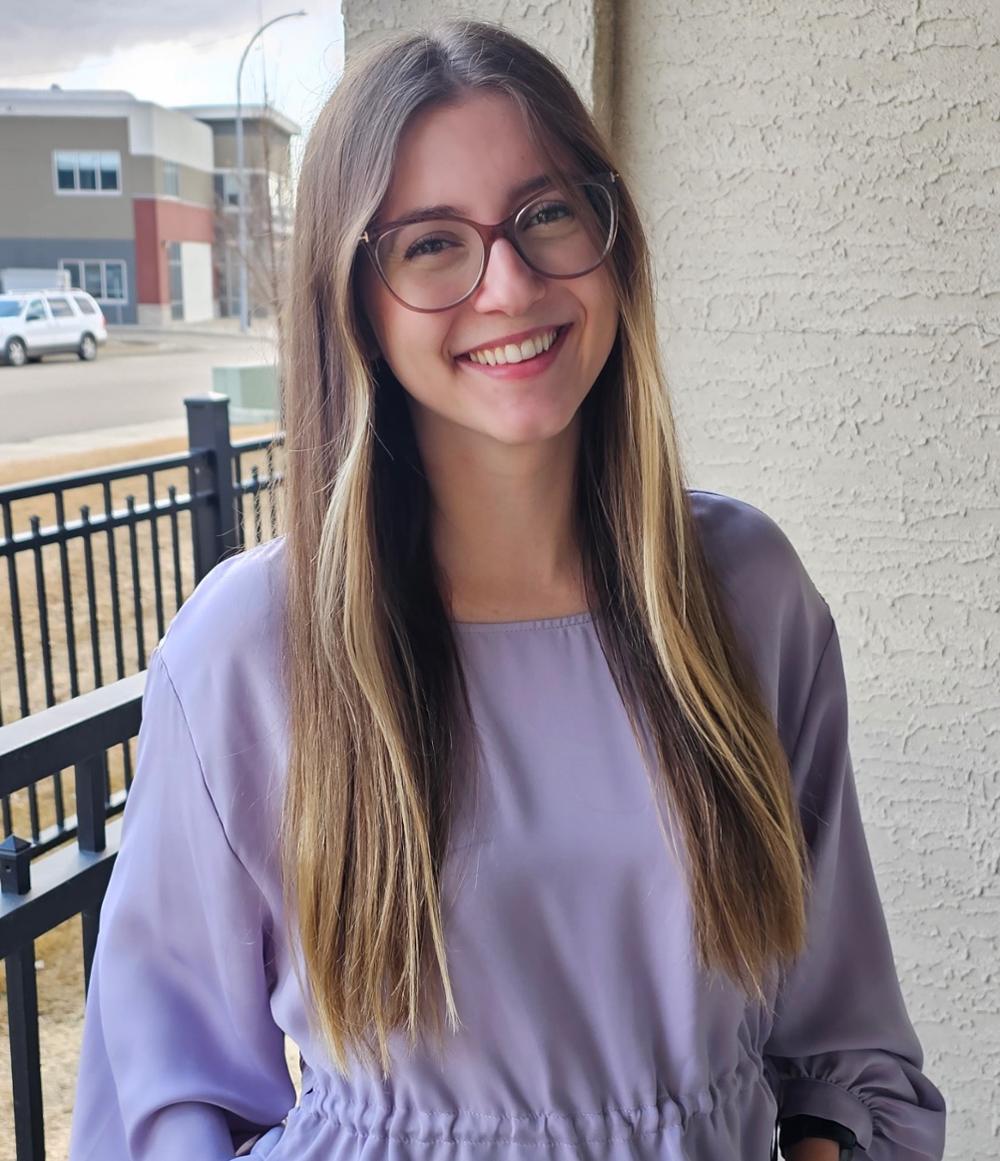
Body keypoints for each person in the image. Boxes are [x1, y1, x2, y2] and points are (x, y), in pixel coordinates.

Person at [68, 19, 946, 1161]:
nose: (510, 283)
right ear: (356, 302)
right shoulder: (251, 649)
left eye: (545, 215)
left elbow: (845, 1055)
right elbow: (159, 1100)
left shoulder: (745, 593)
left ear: (610, 238)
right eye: (432, 244)